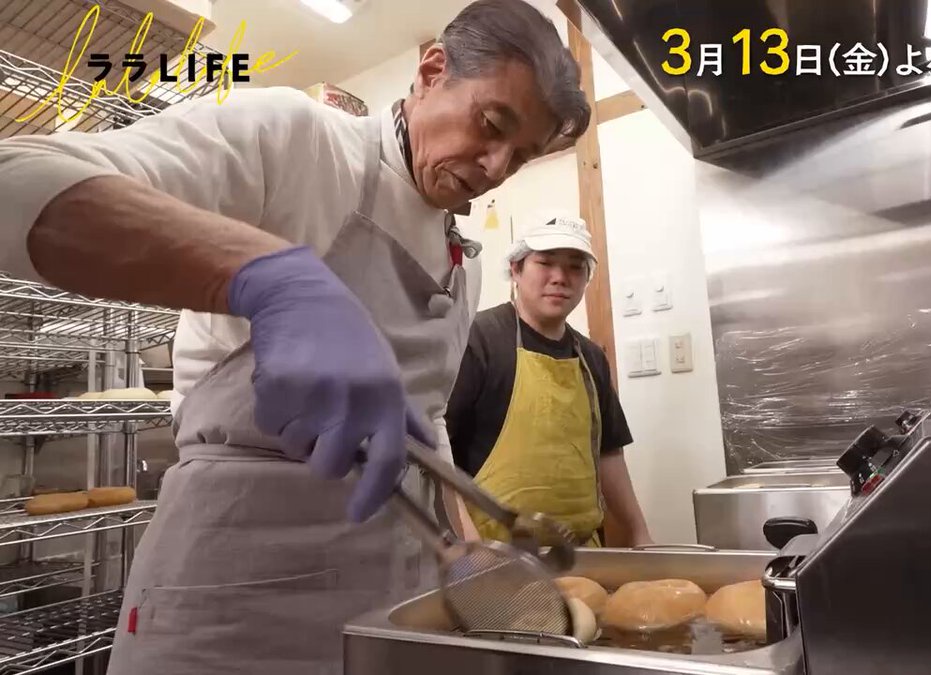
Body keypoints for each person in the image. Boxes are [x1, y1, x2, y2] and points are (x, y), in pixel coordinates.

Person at [0, 1, 590, 673]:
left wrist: (465, 547)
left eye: (521, 156)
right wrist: (265, 275)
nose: (494, 164)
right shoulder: (299, 140)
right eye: (491, 124)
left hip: (390, 598)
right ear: (432, 72)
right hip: (228, 599)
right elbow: (17, 177)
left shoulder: (465, 262)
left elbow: (426, 422)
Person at [446, 216, 654, 548]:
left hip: (583, 555)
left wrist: (639, 533)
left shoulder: (590, 357)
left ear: (587, 279)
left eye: (575, 267)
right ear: (515, 269)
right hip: (496, 556)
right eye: (545, 263)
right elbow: (440, 453)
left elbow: (608, 454)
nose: (559, 277)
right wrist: (470, 548)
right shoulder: (478, 339)